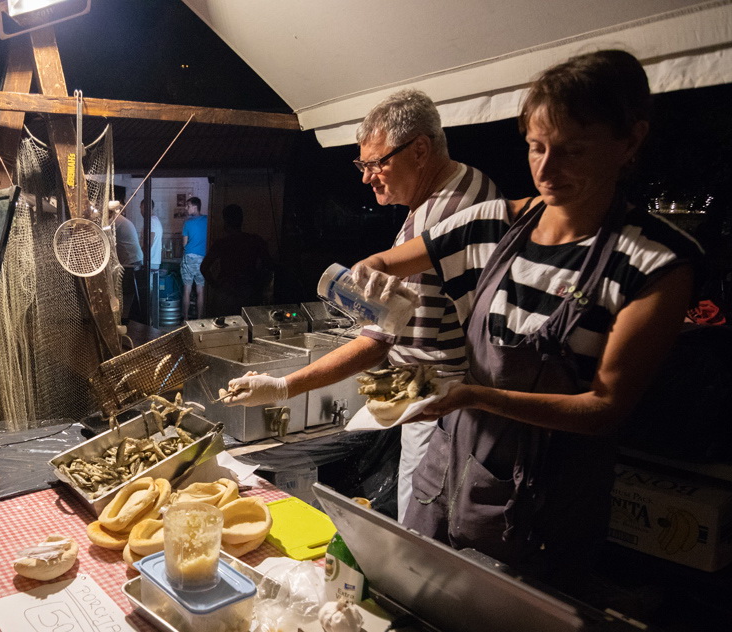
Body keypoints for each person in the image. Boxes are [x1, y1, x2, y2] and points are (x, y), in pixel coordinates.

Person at [346, 51, 700, 581]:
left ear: (629, 141)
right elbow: (381, 263)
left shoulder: (656, 263)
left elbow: (604, 408)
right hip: (450, 471)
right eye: (536, 147)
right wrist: (367, 273)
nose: (546, 170)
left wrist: (474, 396)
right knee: (413, 597)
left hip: (547, 502)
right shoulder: (497, 222)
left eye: (572, 150)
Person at [227, 89, 502, 518]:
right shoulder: (474, 182)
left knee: (418, 528)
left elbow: (380, 339)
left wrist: (283, 386)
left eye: (377, 163)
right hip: (445, 400)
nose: (366, 177)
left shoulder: (435, 219)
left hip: (437, 409)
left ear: (421, 149)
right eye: (363, 164)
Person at [200, 203, 274, 316]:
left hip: (226, 291)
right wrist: (259, 285)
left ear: (225, 222)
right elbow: (269, 266)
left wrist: (216, 285)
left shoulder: (221, 243)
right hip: (248, 291)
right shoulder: (255, 240)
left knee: (223, 329)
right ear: (241, 220)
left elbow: (204, 267)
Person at [109, 200, 144, 323]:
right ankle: (125, 318)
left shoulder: (115, 221)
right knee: (126, 291)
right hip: (135, 259)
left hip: (131, 261)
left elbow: (103, 237)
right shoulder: (121, 221)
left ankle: (124, 319)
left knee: (125, 291)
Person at [180, 196, 208, 319]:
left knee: (187, 289)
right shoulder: (207, 220)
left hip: (189, 257)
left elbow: (184, 244)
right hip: (202, 259)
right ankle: (199, 319)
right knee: (200, 290)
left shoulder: (187, 223)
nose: (186, 208)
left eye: (188, 206)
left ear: (195, 207)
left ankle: (185, 319)